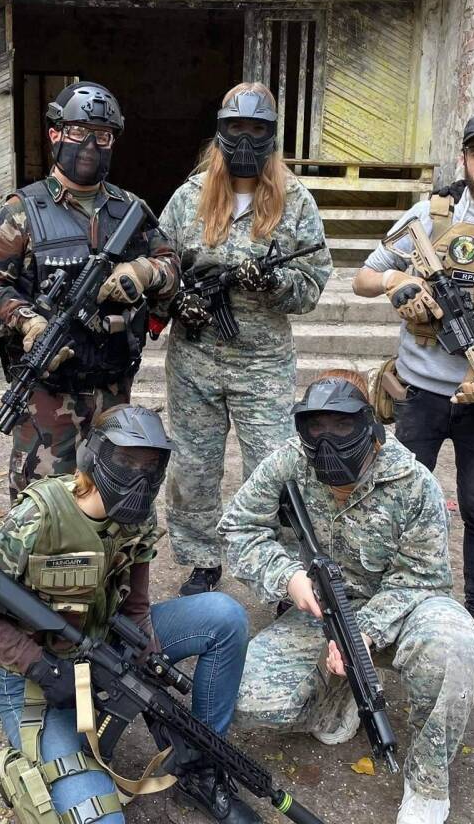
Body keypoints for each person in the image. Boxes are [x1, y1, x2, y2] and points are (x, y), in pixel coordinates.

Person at [0, 405, 258, 824]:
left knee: (224, 616)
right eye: (127, 462)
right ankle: (41, 756)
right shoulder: (40, 514)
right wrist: (39, 666)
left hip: (107, 646)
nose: (139, 477)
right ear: (94, 457)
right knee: (101, 818)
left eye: (150, 466)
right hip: (38, 678)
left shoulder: (139, 514)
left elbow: (136, 605)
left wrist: (147, 661)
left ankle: (201, 767)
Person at [220, 371, 474, 824]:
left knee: (454, 646)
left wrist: (362, 632)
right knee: (246, 700)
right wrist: (288, 577)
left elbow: (422, 576)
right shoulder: (289, 461)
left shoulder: (413, 482)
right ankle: (336, 702)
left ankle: (427, 783)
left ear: (369, 424)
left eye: (342, 426)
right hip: (319, 613)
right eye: (316, 427)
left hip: (405, 610)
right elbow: (238, 528)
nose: (327, 441)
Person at [352, 109, 474, 677]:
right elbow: (362, 278)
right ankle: (386, 610)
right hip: (417, 393)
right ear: (464, 159)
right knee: (398, 503)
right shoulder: (429, 216)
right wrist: (397, 281)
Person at [158, 83, 331, 597]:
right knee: (193, 467)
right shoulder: (189, 197)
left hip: (262, 363)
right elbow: (159, 265)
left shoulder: (295, 201)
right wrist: (178, 300)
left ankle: (282, 572)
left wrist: (274, 282)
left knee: (276, 468)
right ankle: (201, 559)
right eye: (237, 128)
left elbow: (313, 284)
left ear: (272, 135)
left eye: (257, 129)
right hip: (194, 358)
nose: (246, 140)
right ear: (220, 131)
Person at [0, 82, 178, 500]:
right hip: (48, 396)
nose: (88, 145)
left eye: (101, 136)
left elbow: (172, 267)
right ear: (55, 134)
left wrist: (143, 271)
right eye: (78, 131)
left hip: (113, 389)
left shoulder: (129, 208)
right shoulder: (21, 211)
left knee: (117, 498)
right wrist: (28, 323)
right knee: (41, 507)